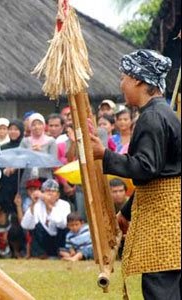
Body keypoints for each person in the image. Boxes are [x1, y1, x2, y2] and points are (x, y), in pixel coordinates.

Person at [90, 49, 180, 299]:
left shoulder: (152, 117)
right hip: (166, 216)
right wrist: (128, 211)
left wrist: (104, 155)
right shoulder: (160, 114)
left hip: (165, 223)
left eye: (124, 77)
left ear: (139, 80)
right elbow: (161, 176)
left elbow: (146, 168)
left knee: (162, 290)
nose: (121, 84)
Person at [20, 179, 71, 258]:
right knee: (37, 227)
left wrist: (49, 205)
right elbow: (25, 225)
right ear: (42, 193)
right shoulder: (37, 204)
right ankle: (41, 254)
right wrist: (33, 204)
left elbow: (62, 224)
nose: (50, 193)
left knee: (63, 229)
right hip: (44, 240)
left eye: (53, 191)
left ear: (58, 195)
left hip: (60, 239)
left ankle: (62, 253)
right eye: (47, 191)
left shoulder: (64, 204)